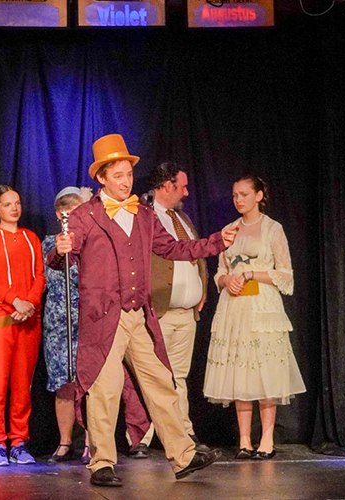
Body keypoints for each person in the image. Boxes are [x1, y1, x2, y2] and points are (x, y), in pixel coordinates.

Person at [49, 133, 237, 487]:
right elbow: (61, 255)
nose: (125, 181)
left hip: (138, 315)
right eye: (117, 175)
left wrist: (215, 242)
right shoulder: (86, 215)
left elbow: (174, 249)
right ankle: (102, 462)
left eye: (129, 174)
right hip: (104, 318)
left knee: (161, 384)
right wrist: (61, 248)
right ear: (101, 178)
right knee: (104, 390)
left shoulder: (144, 215)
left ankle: (183, 456)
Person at [42, 187, 153, 464]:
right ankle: (65, 442)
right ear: (60, 214)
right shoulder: (50, 243)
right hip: (60, 320)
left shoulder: (94, 238)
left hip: (93, 316)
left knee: (99, 380)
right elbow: (49, 269)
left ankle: (95, 442)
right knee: (64, 382)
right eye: (71, 212)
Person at [203, 174, 305, 460]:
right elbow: (219, 271)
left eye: (245, 194)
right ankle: (245, 440)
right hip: (234, 307)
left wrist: (250, 273)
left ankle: (267, 438)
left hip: (262, 306)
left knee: (265, 372)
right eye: (235, 195)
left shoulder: (273, 229)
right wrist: (226, 282)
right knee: (240, 372)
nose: (239, 200)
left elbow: (286, 275)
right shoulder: (229, 230)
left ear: (259, 196)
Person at [0, 185, 45, 466]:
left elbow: (40, 275)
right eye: (7, 204)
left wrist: (27, 303)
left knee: (22, 384)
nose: (14, 208)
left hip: (28, 318)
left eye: (17, 203)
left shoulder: (31, 238)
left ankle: (18, 440)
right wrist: (14, 301)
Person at [146, 163, 211, 452]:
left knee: (179, 377)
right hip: (160, 311)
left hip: (187, 314)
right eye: (182, 186)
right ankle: (143, 437)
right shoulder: (145, 217)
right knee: (153, 377)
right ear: (167, 186)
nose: (186, 191)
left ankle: (184, 433)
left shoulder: (182, 218)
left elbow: (197, 254)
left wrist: (203, 289)